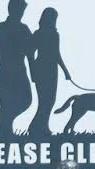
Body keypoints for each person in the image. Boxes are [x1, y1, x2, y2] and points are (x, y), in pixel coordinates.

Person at [0, 0, 33, 136]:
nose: (22, 13)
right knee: (5, 104)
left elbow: (30, 53)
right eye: (21, 10)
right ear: (14, 10)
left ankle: (6, 126)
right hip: (3, 71)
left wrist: (34, 73)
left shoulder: (24, 29)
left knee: (26, 100)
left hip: (19, 71)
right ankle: (4, 133)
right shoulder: (0, 28)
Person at [27, 7, 71, 136]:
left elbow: (56, 54)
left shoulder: (53, 34)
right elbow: (30, 53)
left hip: (51, 69)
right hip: (43, 68)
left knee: (49, 100)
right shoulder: (40, 34)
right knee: (45, 101)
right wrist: (32, 71)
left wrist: (65, 71)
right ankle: (36, 127)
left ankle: (41, 127)